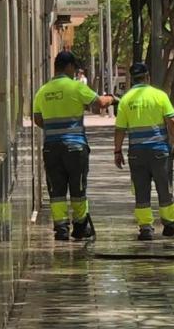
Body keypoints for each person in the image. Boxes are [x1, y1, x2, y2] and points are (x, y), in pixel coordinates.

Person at [33, 51, 115, 240]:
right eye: (74, 68)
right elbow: (99, 103)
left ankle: (61, 228)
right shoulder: (76, 87)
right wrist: (112, 98)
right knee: (78, 188)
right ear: (69, 66)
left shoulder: (43, 91)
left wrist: (54, 128)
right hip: (75, 147)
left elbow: (38, 119)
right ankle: (80, 226)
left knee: (56, 189)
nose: (75, 71)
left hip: (51, 148)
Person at [114, 63, 174, 241]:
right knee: (164, 188)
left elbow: (120, 129)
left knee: (141, 190)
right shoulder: (159, 96)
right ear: (147, 77)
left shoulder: (126, 100)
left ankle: (145, 228)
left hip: (136, 154)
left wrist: (117, 151)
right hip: (159, 152)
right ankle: (170, 224)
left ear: (132, 79)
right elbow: (173, 122)